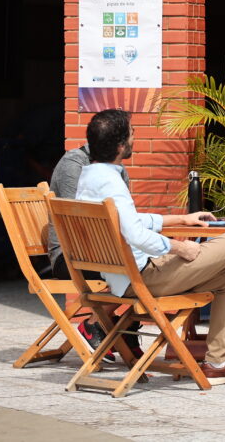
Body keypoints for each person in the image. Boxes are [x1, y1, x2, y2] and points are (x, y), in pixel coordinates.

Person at [73, 109, 225, 385]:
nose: (134, 139)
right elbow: (135, 233)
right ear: (121, 145)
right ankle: (217, 363)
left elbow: (130, 221)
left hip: (124, 278)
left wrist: (182, 219)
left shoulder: (90, 177)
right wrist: (180, 248)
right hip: (144, 279)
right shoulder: (111, 182)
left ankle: (217, 362)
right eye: (132, 134)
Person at [45, 126, 134, 360]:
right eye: (131, 134)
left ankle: (121, 326)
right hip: (69, 256)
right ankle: (96, 323)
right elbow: (76, 219)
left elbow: (124, 214)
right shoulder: (74, 164)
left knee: (158, 263)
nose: (132, 140)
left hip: (103, 251)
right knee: (143, 267)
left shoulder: (115, 166)